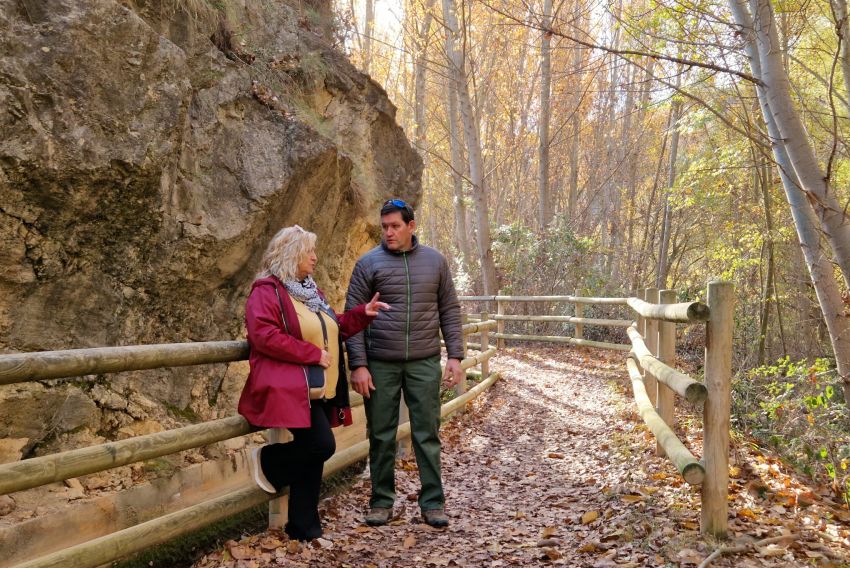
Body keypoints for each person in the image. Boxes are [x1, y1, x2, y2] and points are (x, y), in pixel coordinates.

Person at [238, 225, 389, 541]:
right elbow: (263, 335)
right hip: (291, 388)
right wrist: (311, 354)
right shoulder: (266, 291)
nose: (315, 258)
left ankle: (304, 528)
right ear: (292, 254)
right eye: (310, 252)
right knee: (321, 445)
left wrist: (362, 314)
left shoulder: (309, 292)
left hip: (317, 388)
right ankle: (269, 461)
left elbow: (332, 327)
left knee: (313, 453)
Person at [345, 199, 465, 528]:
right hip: (380, 363)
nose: (389, 232)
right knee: (381, 435)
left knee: (427, 433)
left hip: (425, 361)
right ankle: (381, 503)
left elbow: (450, 311)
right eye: (384, 227)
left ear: (411, 226)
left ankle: (433, 503)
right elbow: (352, 319)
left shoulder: (435, 262)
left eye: (395, 226)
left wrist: (454, 356)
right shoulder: (367, 265)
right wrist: (358, 364)